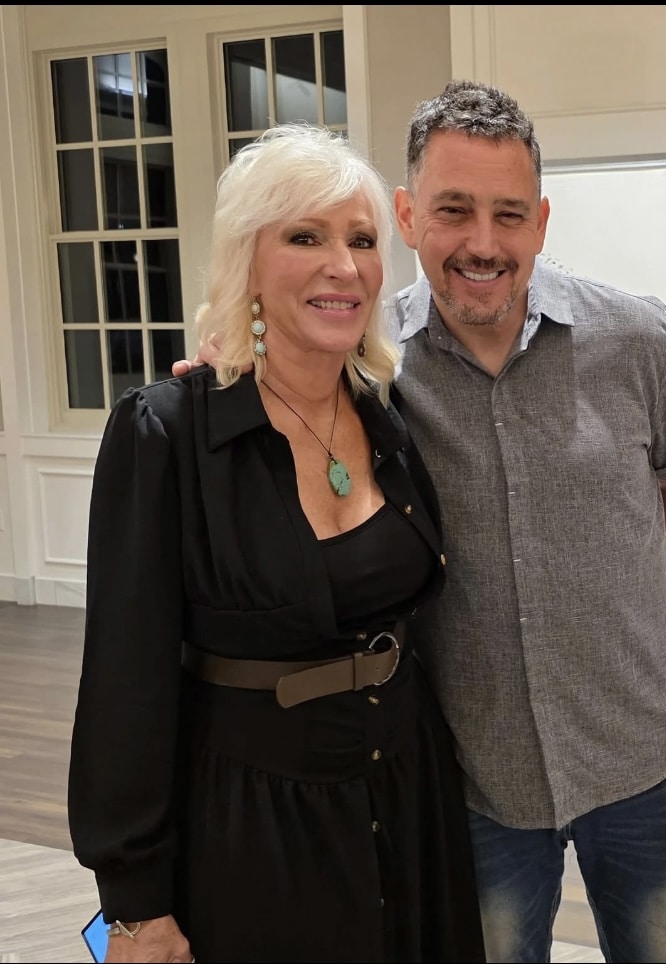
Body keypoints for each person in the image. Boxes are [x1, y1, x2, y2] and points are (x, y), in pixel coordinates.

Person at [179, 81, 666, 962]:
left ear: (541, 222)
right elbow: (278, 381)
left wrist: (613, 585)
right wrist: (222, 361)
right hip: (475, 774)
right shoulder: (369, 366)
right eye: (454, 210)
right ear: (407, 215)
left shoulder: (636, 339)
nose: (483, 243)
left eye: (509, 215)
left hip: (643, 754)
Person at [71, 123, 485, 962]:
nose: (344, 266)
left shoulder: (387, 414)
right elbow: (124, 682)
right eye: (305, 237)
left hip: (408, 795)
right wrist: (135, 906)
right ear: (248, 261)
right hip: (256, 826)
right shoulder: (169, 434)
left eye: (361, 240)